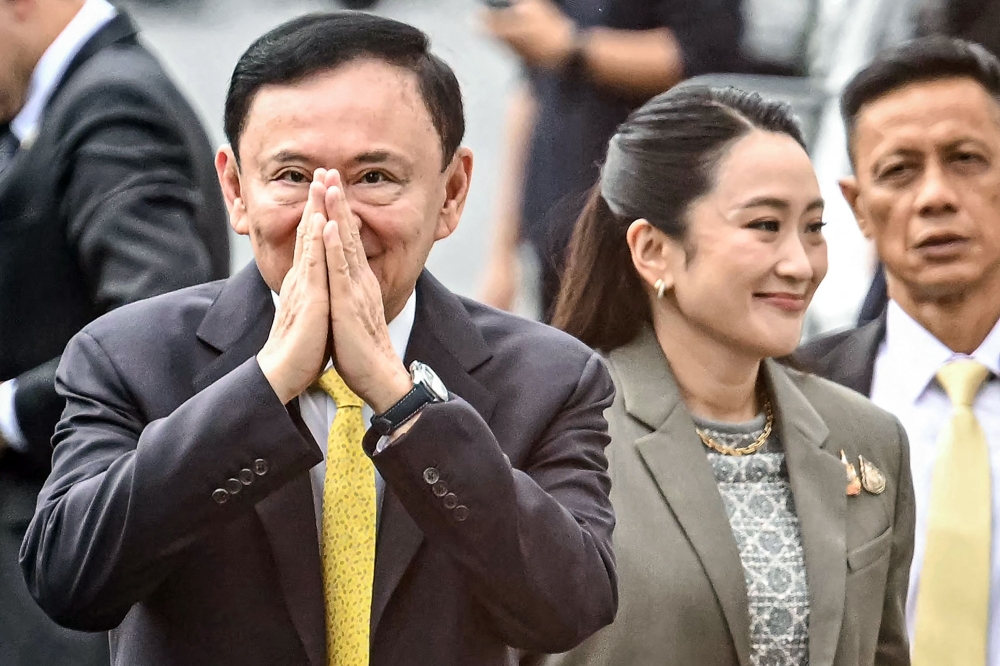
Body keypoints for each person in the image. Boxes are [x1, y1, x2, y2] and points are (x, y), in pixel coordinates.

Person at [19, 12, 618, 666]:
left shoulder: (550, 378)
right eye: (292, 176)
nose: (329, 216)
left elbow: (570, 608)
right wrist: (265, 385)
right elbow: (69, 580)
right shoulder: (128, 356)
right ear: (235, 189)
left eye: (374, 178)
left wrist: (401, 400)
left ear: (451, 193)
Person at [546, 86, 914, 665]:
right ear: (653, 250)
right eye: (765, 225)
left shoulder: (867, 437)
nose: (800, 263)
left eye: (814, 228)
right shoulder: (558, 429)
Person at [0, 0, 229, 663]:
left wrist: (9, 410)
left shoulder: (114, 104)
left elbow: (161, 328)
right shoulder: (62, 102)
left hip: (65, 572)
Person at [798, 37, 1000, 666]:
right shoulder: (782, 399)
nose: (935, 196)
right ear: (858, 206)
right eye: (899, 170)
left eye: (966, 159)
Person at [480, 0, 743, 320]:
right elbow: (530, 95)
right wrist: (502, 256)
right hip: (558, 244)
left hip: (645, 243)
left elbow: (703, 58)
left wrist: (572, 45)